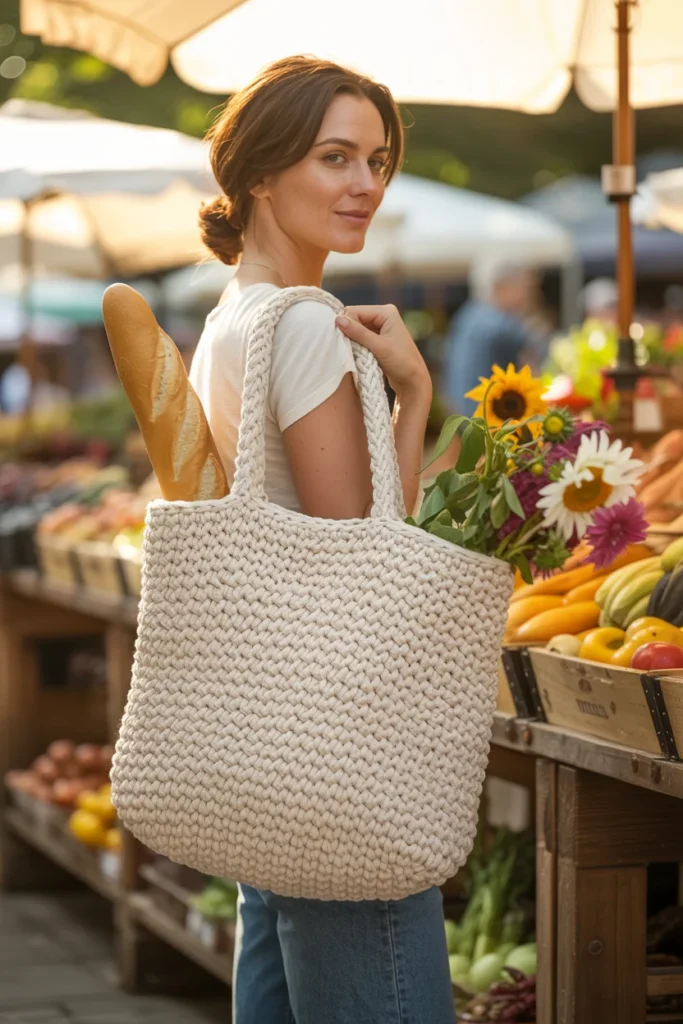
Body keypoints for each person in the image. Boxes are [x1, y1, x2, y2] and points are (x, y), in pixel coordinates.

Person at [188, 56, 453, 1024]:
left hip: (273, 726)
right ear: (259, 172)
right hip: (341, 734)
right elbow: (362, 555)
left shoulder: (233, 316)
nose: (365, 185)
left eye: (375, 160)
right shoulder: (301, 327)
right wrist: (414, 395)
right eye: (333, 156)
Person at [442, 260, 541, 416]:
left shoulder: (466, 314)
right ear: (502, 286)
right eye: (525, 288)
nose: (530, 297)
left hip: (457, 416)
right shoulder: (503, 325)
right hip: (486, 423)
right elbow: (533, 370)